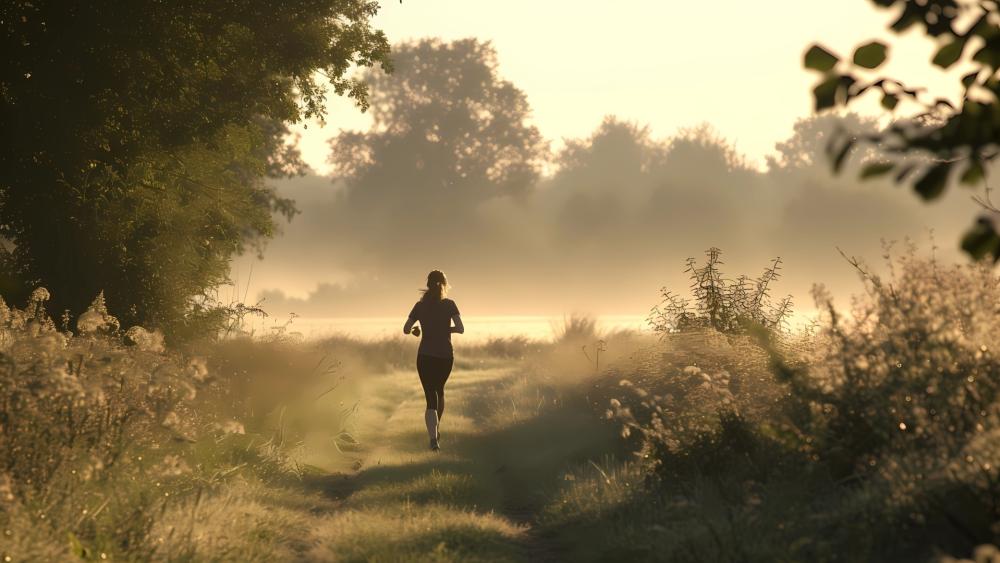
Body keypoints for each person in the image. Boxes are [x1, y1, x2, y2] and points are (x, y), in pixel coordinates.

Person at [403, 270, 464, 451]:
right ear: (444, 284)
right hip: (445, 356)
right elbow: (460, 329)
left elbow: (406, 329)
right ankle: (436, 431)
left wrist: (417, 330)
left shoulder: (419, 306)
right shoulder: (450, 304)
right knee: (440, 391)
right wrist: (445, 330)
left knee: (430, 397)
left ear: (428, 284)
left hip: (425, 356)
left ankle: (433, 439)